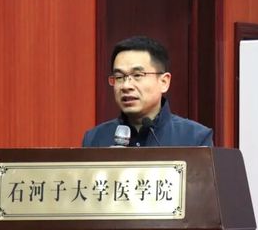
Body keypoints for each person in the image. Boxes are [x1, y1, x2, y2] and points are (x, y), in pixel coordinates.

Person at [82, 36, 213, 147]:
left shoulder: (194, 138)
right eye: (119, 77)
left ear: (164, 82)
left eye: (137, 75)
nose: (126, 86)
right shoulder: (94, 139)